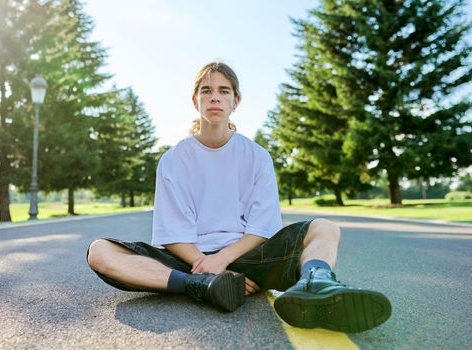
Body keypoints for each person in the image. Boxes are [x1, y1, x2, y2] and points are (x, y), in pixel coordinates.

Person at [86, 61, 391, 333]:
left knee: (325, 228)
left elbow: (262, 226)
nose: (215, 97)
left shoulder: (256, 156)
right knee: (100, 251)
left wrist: (222, 260)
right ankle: (203, 287)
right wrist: (207, 267)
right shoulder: (173, 159)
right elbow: (172, 233)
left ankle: (316, 284)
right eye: (206, 90)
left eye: (223, 90)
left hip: (250, 258)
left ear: (236, 100)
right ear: (195, 101)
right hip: (190, 262)